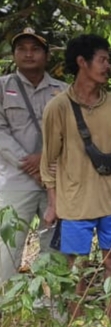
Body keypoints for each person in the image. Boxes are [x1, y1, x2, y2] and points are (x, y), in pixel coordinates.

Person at [40, 34, 111, 318]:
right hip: (75, 201)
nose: (108, 66)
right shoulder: (58, 107)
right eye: (102, 60)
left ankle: (109, 322)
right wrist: (54, 203)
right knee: (75, 266)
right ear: (83, 62)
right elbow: (49, 159)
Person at [0, 28, 68, 285]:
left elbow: (71, 135)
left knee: (55, 245)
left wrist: (44, 160)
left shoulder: (63, 91)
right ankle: (5, 306)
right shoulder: (2, 87)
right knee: (7, 245)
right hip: (16, 180)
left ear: (47, 55)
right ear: (14, 54)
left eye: (35, 49)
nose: (28, 54)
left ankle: (52, 308)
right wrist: (26, 161)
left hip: (56, 180)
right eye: (22, 49)